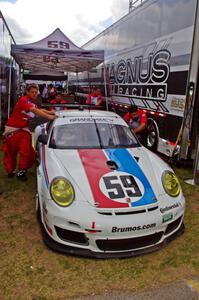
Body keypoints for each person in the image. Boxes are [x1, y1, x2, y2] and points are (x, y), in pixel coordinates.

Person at [2, 83, 57, 181]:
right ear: (27, 92)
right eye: (32, 92)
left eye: (36, 92)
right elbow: (34, 110)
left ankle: (21, 171)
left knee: (27, 152)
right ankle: (11, 171)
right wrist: (50, 117)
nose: (35, 94)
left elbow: (38, 109)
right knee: (11, 152)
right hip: (13, 130)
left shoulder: (32, 102)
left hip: (24, 130)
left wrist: (51, 112)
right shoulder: (24, 100)